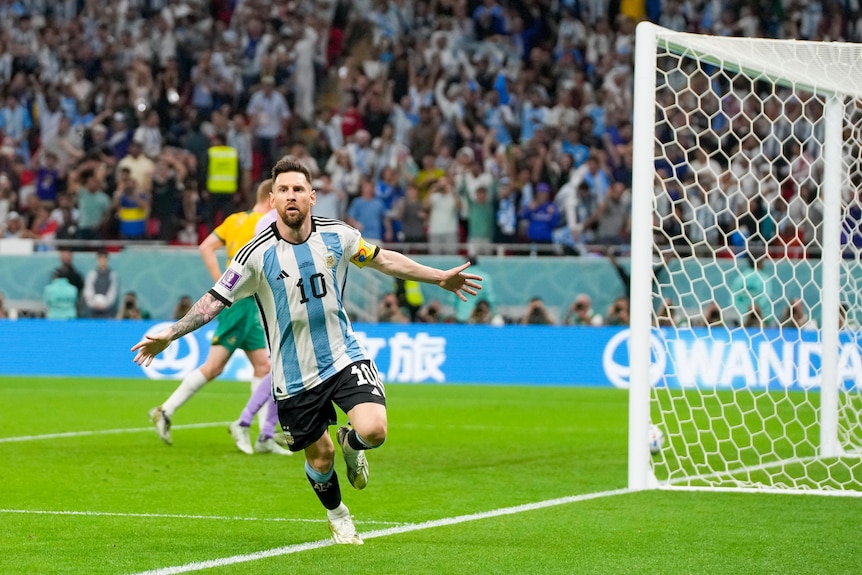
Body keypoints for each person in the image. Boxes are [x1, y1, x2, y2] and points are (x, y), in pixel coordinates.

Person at [132, 159, 482, 545]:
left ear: (312, 197)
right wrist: (172, 334)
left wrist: (439, 277)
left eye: (298, 189)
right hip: (294, 375)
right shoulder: (253, 256)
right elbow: (213, 301)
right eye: (283, 190)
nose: (291, 196)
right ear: (272, 200)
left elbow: (384, 260)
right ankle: (338, 514)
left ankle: (354, 445)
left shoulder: (340, 236)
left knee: (374, 429)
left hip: (343, 355)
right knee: (320, 458)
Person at [146, 180, 274, 446]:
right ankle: (165, 411)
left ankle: (264, 437)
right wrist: (228, 291)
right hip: (241, 302)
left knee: (263, 366)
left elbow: (205, 246)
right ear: (272, 198)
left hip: (244, 302)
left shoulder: (235, 220)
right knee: (214, 367)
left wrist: (221, 282)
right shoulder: (265, 224)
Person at [82, 249, 119, 318]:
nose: (102, 261)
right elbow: (88, 292)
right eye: (100, 258)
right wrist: (94, 304)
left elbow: (112, 293)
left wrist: (103, 304)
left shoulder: (112, 275)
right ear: (97, 259)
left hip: (108, 312)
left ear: (107, 259)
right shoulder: (92, 274)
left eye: (104, 258)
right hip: (93, 311)